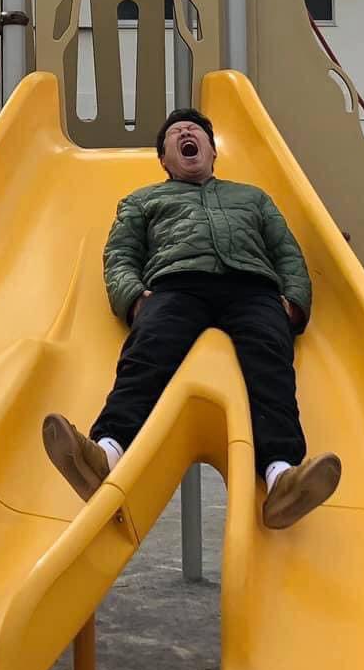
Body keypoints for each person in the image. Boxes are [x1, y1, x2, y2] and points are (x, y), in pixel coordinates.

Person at [42, 106, 342, 530]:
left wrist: (293, 301)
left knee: (269, 361)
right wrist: (134, 299)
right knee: (148, 353)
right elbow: (120, 254)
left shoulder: (252, 198)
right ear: (164, 159)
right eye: (176, 132)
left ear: (212, 151)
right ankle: (105, 454)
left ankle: (281, 478)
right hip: (177, 284)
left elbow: (286, 251)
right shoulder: (144, 200)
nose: (187, 132)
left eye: (195, 130)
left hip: (251, 287)